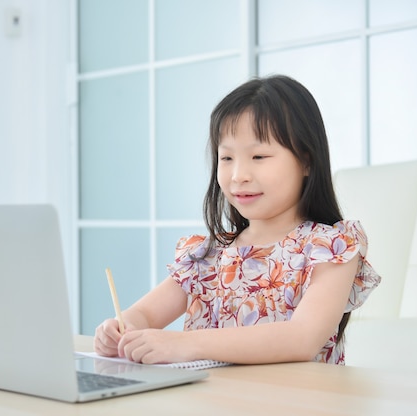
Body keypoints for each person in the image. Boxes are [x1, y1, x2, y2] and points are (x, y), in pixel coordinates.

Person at [94, 75, 381, 366]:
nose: (238, 175)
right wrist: (121, 327)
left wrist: (186, 344)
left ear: (306, 161)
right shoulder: (207, 255)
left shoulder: (330, 248)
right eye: (227, 158)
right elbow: (146, 315)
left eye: (258, 156)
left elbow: (302, 339)